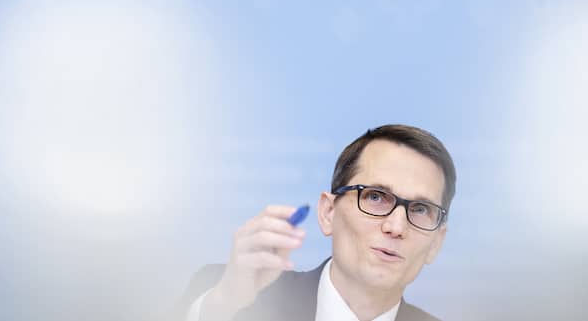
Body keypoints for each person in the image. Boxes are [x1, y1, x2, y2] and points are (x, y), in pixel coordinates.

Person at [174, 124, 457, 321]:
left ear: (436, 243)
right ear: (328, 213)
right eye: (375, 197)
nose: (396, 227)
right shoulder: (237, 298)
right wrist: (227, 303)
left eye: (421, 209)